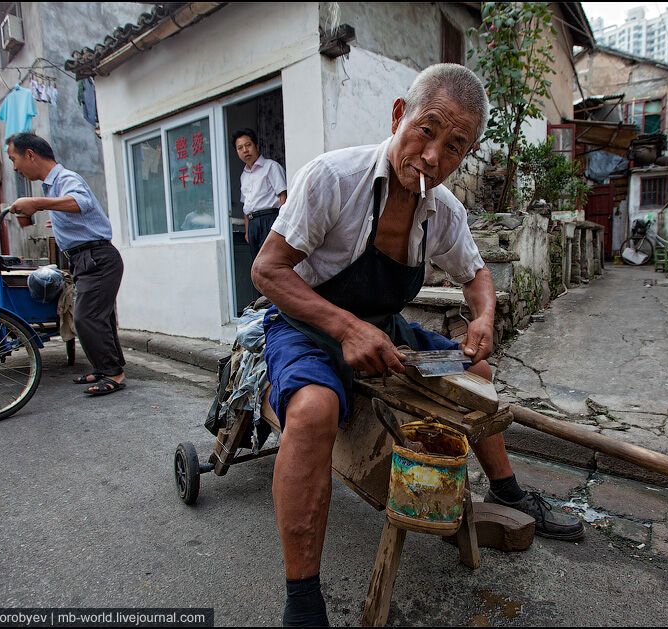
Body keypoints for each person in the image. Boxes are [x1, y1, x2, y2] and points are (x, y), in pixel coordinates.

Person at [252, 64, 585, 627]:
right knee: (313, 411)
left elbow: (477, 276)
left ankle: (507, 491)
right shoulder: (333, 178)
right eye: (426, 130)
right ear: (398, 116)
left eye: (454, 146)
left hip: (384, 328)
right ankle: (303, 599)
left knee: (475, 374)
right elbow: (268, 271)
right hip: (304, 325)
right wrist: (346, 329)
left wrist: (484, 318)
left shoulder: (444, 212)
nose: (432, 156)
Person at [5, 132, 127, 397]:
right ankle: (106, 368)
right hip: (86, 259)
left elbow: (80, 202)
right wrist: (60, 222)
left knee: (86, 318)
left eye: (14, 159)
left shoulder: (65, 179)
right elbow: (78, 211)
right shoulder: (52, 186)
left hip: (98, 259)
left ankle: (114, 374)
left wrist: (36, 204)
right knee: (99, 317)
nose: (14, 167)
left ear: (30, 154)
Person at [234, 128, 287, 259]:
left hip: (270, 220)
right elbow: (246, 206)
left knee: (272, 261)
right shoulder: (243, 176)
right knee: (257, 263)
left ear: (256, 146)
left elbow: (283, 196)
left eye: (248, 145)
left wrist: (282, 226)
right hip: (253, 224)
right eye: (240, 148)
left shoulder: (271, 166)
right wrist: (247, 231)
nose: (245, 150)